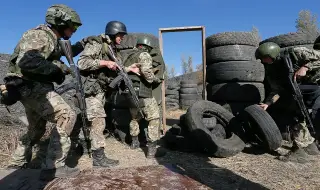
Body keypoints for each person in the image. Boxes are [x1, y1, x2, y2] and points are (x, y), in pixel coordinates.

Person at [4, 4, 88, 178]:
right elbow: (28, 61)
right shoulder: (42, 35)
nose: (74, 30)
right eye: (72, 26)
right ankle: (53, 166)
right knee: (66, 115)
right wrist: (56, 71)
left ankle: (16, 164)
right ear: (60, 22)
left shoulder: (52, 39)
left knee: (36, 129)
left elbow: (60, 53)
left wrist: (83, 45)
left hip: (27, 88)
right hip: (31, 87)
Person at [77, 21, 140, 167]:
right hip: (91, 90)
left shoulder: (111, 48)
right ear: (113, 32)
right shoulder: (97, 43)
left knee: (92, 122)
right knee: (98, 121)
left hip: (100, 91)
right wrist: (104, 63)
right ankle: (98, 158)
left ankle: (85, 148)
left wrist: (128, 69)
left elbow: (116, 67)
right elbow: (82, 62)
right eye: (120, 35)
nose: (122, 38)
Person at [256, 42, 320, 163]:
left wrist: (306, 67)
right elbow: (277, 90)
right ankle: (306, 147)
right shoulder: (273, 69)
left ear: (272, 54)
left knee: (314, 116)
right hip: (302, 90)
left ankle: (302, 150)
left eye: (265, 58)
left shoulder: (297, 53)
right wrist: (268, 104)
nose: (263, 61)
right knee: (299, 113)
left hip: (316, 85)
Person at [122, 36, 166, 158]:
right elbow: (147, 72)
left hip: (128, 92)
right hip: (141, 91)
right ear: (146, 46)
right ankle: (152, 151)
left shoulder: (128, 57)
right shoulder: (144, 54)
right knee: (154, 117)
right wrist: (156, 80)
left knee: (135, 118)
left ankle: (134, 143)